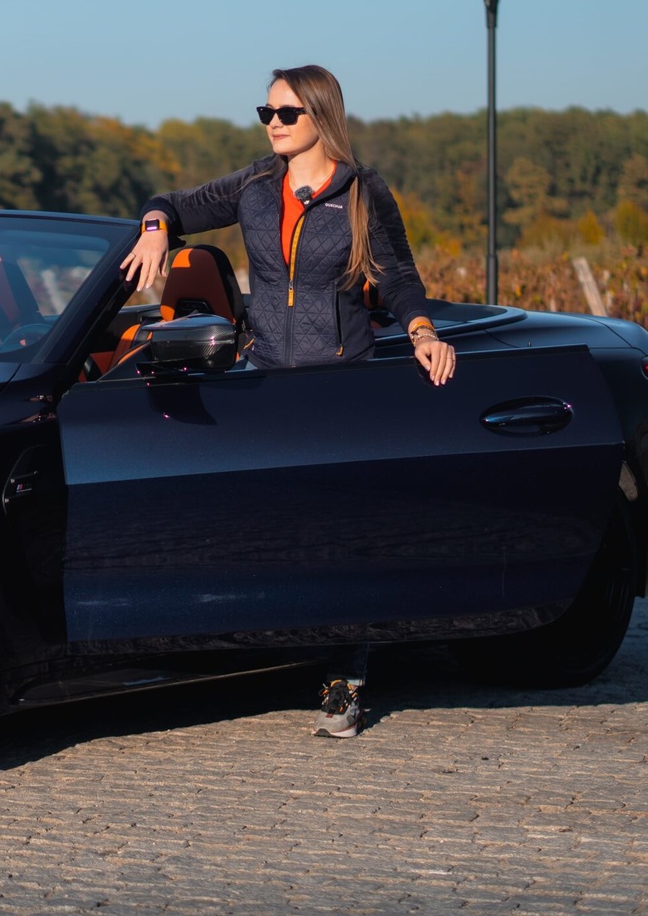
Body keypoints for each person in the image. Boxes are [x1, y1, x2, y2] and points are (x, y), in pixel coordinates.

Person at [120, 64, 457, 738]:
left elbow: (398, 278)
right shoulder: (254, 186)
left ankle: (344, 681)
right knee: (267, 525)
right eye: (266, 113)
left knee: (338, 536)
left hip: (338, 384)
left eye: (286, 113)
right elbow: (176, 203)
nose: (272, 124)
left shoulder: (362, 192)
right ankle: (257, 652)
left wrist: (422, 331)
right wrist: (155, 225)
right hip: (266, 378)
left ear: (320, 116)